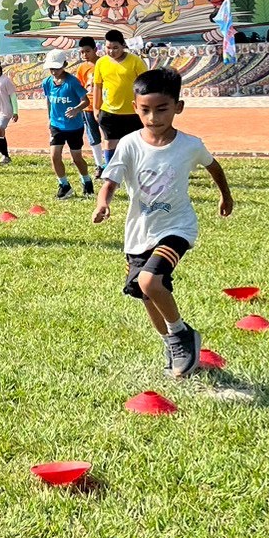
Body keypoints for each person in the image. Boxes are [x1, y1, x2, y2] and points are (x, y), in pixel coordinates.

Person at [92, 68, 233, 378]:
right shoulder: (129, 144)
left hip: (177, 228)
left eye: (162, 109)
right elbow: (111, 179)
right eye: (145, 110)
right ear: (135, 108)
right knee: (146, 293)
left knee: (150, 281)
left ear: (178, 107)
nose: (153, 117)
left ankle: (181, 335)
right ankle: (172, 342)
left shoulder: (189, 144)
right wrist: (103, 201)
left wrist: (225, 196)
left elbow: (215, 168)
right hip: (140, 232)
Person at [41, 50, 93, 200]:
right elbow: (49, 100)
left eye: (56, 68)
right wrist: (49, 118)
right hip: (56, 125)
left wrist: (76, 109)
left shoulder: (72, 83)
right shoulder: (47, 83)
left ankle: (86, 180)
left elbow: (86, 101)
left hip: (74, 127)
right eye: (51, 68)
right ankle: (64, 185)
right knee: (54, 156)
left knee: (76, 158)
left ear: (64, 65)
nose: (54, 71)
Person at [91, 29, 148, 165]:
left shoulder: (135, 61)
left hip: (133, 112)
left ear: (123, 45)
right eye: (108, 48)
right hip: (109, 111)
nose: (112, 51)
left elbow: (146, 85)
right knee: (110, 142)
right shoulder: (101, 63)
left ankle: (136, 170)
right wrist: (96, 108)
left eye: (115, 48)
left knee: (135, 143)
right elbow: (97, 86)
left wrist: (144, 108)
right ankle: (111, 172)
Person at [74, 36, 107, 174]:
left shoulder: (105, 63)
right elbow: (79, 88)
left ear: (95, 49)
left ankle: (111, 163)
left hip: (105, 107)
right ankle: (99, 165)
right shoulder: (82, 68)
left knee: (109, 136)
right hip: (88, 108)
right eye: (82, 52)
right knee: (93, 136)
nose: (85, 55)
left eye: (87, 51)